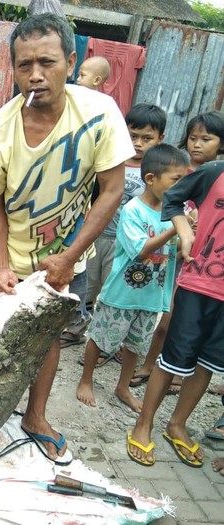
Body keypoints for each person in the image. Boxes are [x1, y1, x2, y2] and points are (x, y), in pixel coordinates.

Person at [0, 13, 134, 465]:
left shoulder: (99, 113)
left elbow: (112, 189)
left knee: (48, 339)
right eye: (24, 65)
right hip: (4, 254)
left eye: (47, 62)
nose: (35, 75)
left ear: (71, 62)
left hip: (67, 256)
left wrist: (69, 258)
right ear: (13, 69)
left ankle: (35, 416)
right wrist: (0, 265)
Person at [126, 159, 224, 468]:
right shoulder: (215, 173)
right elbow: (173, 197)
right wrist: (185, 232)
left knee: (207, 362)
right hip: (199, 283)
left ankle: (177, 424)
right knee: (172, 359)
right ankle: (144, 423)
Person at [76, 145, 187, 413]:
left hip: (152, 295)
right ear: (151, 179)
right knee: (101, 338)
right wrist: (176, 228)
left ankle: (122, 387)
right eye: (176, 180)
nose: (182, 187)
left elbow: (178, 255)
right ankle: (85, 379)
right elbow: (141, 251)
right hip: (122, 293)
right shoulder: (133, 210)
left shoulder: (177, 213)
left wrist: (187, 240)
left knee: (135, 345)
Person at [129, 111, 224, 392]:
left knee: (177, 320)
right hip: (172, 252)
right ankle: (150, 364)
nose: (197, 144)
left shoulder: (214, 174)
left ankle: (179, 373)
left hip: (200, 263)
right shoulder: (180, 169)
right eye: (193, 138)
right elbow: (167, 202)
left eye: (205, 139)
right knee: (164, 317)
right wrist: (183, 230)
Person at [75, 104, 166, 362]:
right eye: (133, 136)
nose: (138, 144)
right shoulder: (112, 162)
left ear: (161, 139)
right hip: (98, 236)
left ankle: (106, 345)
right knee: (87, 286)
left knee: (113, 293)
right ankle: (77, 329)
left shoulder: (157, 174)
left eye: (146, 138)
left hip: (127, 246)